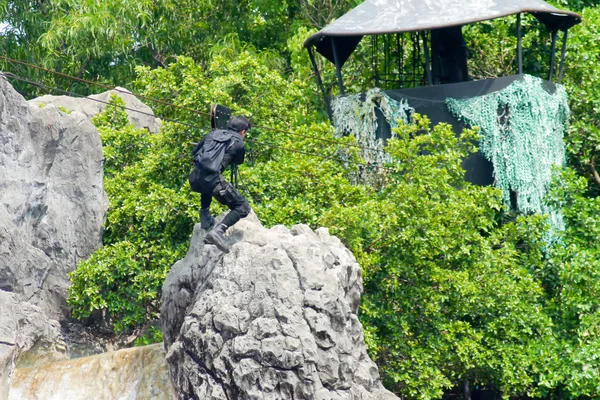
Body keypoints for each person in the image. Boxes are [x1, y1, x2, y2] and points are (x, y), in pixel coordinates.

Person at [190, 116, 252, 253]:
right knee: (242, 207)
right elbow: (238, 161)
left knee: (207, 185)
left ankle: (205, 215)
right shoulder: (238, 142)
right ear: (243, 131)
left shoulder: (212, 134)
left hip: (195, 178)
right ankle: (219, 231)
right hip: (212, 181)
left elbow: (195, 153)